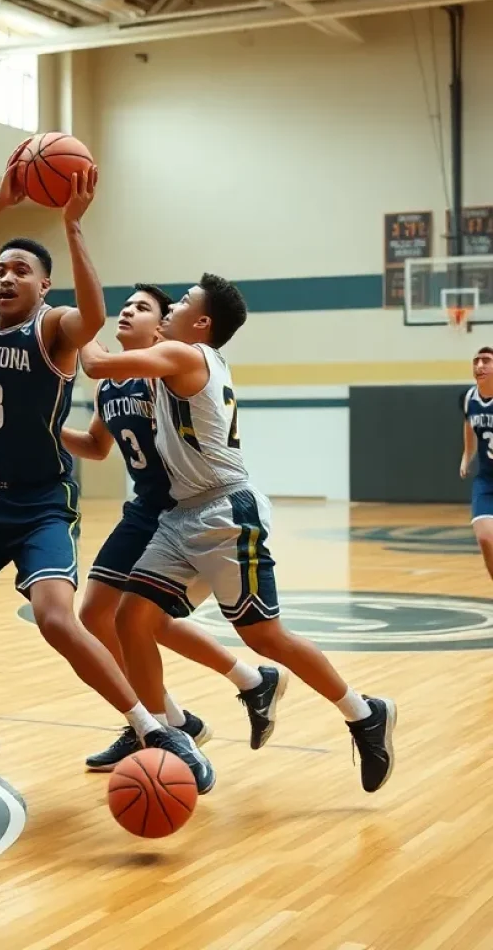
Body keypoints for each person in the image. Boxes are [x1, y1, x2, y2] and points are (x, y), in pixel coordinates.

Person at [0, 161, 213, 796]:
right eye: (0, 269)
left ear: (44, 286)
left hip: (41, 504)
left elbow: (94, 313)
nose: (4, 277)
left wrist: (72, 228)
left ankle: (150, 729)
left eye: (20, 270)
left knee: (56, 617)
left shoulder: (53, 329)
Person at [80, 273, 395, 793]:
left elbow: (94, 362)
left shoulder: (187, 356)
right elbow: (109, 396)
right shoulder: (177, 359)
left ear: (200, 323)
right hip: (182, 515)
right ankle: (166, 732)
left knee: (264, 635)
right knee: (131, 619)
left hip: (226, 512)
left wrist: (70, 316)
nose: (169, 310)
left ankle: (363, 712)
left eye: (179, 304)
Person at [63, 284, 285, 770]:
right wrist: (40, 424)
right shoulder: (113, 385)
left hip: (177, 506)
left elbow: (100, 360)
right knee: (103, 614)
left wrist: (78, 322)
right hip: (144, 506)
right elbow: (97, 446)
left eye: (141, 308)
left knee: (135, 619)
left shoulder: (160, 372)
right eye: (125, 306)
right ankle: (185, 708)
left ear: (161, 324)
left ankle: (162, 718)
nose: (127, 312)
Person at [460, 347, 493, 580]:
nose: (479, 365)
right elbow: (469, 425)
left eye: (486, 361)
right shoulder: (470, 398)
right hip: (486, 480)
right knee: (484, 538)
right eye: (476, 361)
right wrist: (466, 454)